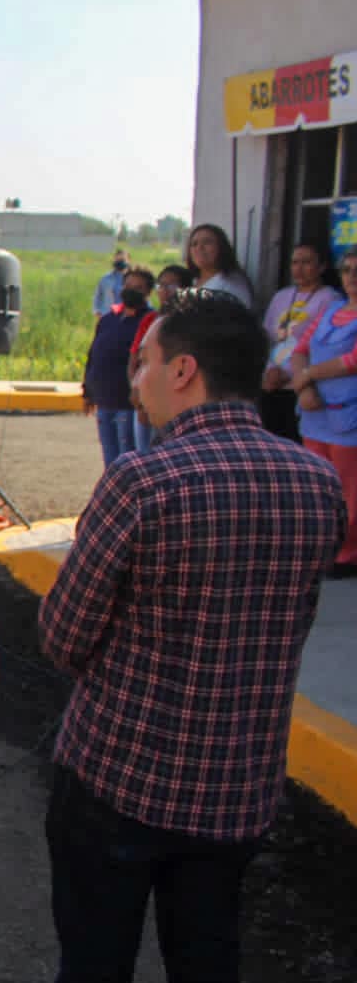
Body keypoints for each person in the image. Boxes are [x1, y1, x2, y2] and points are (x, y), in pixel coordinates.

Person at [40, 289, 345, 983]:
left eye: (143, 361)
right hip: (238, 787)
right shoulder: (316, 482)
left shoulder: (141, 480)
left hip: (118, 777)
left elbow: (62, 638)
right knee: (207, 956)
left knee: (94, 960)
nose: (133, 378)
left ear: (182, 371)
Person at [289, 248, 357, 578]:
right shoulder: (330, 309)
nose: (352, 277)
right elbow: (299, 349)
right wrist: (303, 388)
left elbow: (352, 360)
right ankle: (319, 547)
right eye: (347, 270)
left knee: (349, 487)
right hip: (315, 413)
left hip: (349, 416)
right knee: (317, 484)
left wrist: (308, 376)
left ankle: (345, 554)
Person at [261, 243, 342, 442]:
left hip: (303, 384)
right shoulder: (281, 296)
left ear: (322, 266)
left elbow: (324, 347)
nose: (299, 268)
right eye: (295, 262)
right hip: (272, 382)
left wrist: (289, 373)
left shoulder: (330, 299)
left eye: (306, 262)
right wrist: (270, 370)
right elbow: (267, 338)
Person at [83, 267, 154, 467]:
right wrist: (88, 392)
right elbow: (93, 356)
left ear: (148, 292)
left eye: (139, 288)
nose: (132, 290)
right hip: (105, 402)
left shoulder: (149, 321)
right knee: (110, 463)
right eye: (129, 286)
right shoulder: (108, 320)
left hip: (129, 406)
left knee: (128, 464)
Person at [128, 265, 195, 452]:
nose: (165, 291)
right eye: (161, 285)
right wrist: (138, 390)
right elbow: (135, 359)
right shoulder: (150, 320)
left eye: (172, 286)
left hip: (177, 405)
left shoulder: (192, 323)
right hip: (147, 401)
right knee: (144, 454)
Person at [186, 223, 254, 306]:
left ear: (221, 247)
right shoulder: (193, 281)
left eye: (207, 242)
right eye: (194, 244)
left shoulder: (232, 284)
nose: (199, 247)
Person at [93, 249, 132, 317]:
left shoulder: (134, 280)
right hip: (107, 315)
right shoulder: (105, 279)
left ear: (128, 261)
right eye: (117, 260)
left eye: (122, 260)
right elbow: (98, 296)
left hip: (128, 316)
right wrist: (97, 311)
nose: (119, 262)